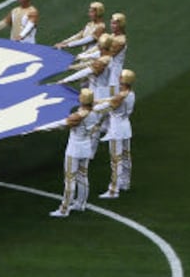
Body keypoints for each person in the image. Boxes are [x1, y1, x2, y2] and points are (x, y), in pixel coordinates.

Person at [52, 88, 102, 217]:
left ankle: (64, 209)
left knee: (70, 179)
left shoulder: (79, 115)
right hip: (86, 147)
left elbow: (62, 123)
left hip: (74, 149)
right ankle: (81, 204)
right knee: (83, 177)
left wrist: (41, 128)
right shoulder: (94, 113)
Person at [100, 69, 136, 198]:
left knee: (116, 160)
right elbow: (112, 100)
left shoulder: (120, 96)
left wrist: (91, 104)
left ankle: (113, 190)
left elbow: (107, 105)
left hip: (116, 130)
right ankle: (125, 183)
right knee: (126, 157)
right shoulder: (130, 94)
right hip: (126, 127)